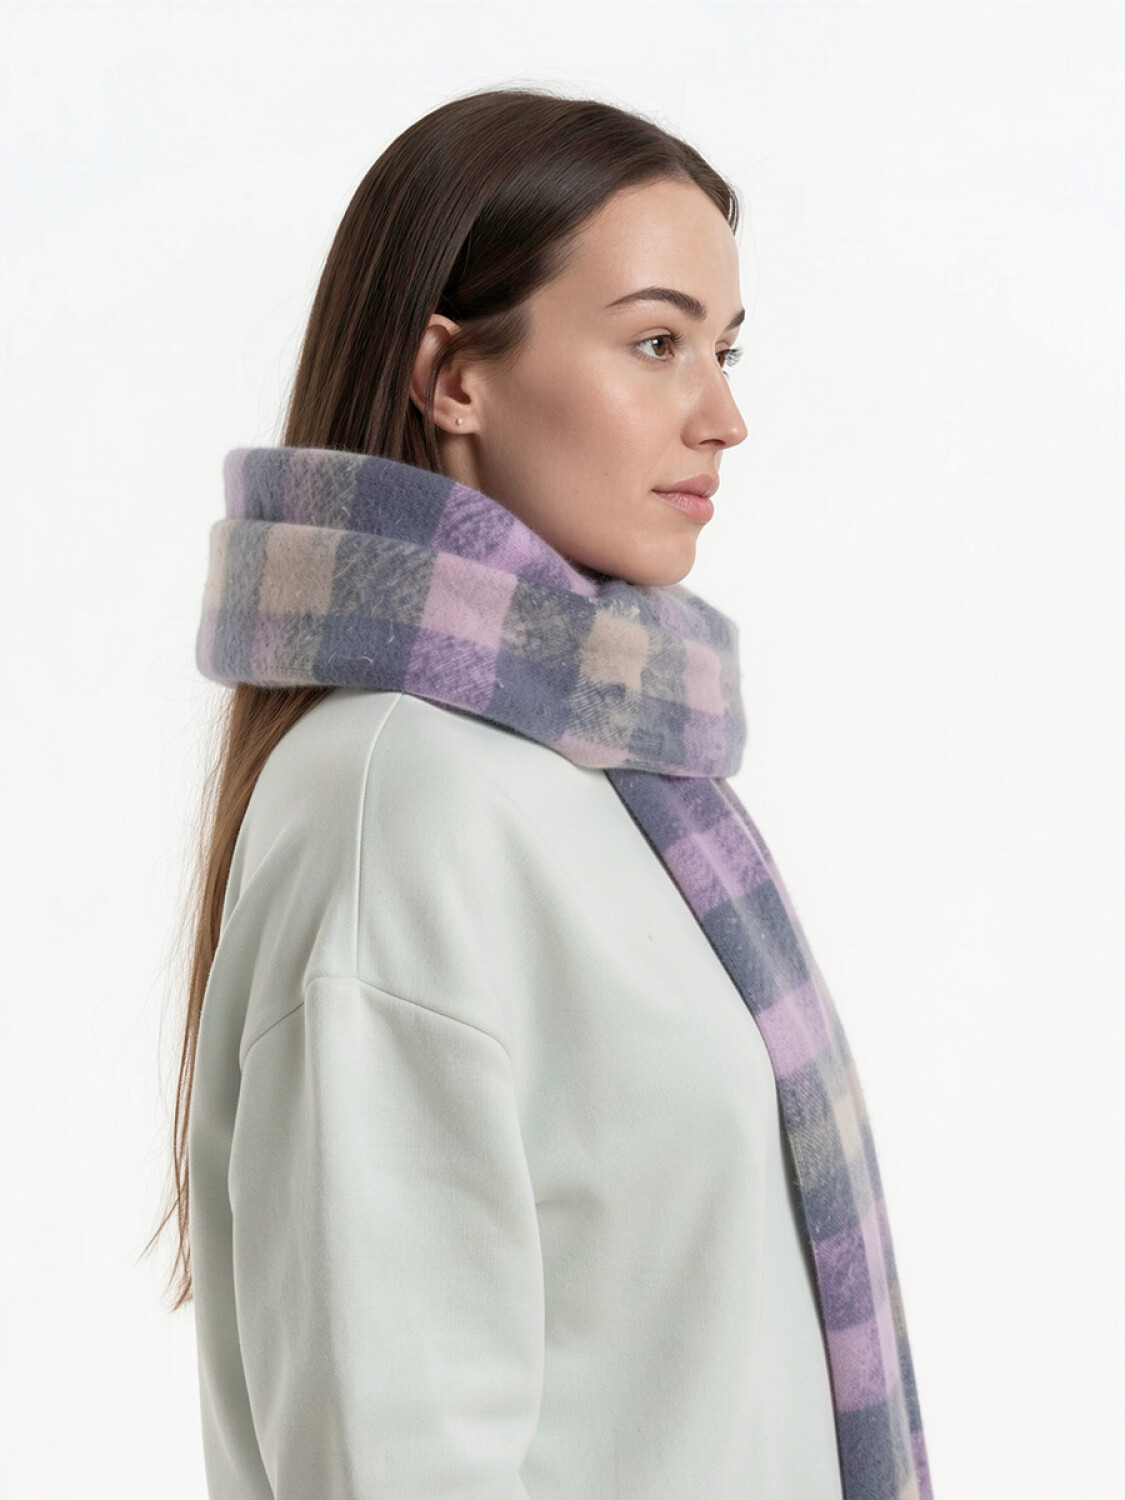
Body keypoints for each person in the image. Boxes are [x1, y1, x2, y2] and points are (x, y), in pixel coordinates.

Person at [148, 86, 931, 1499]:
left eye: (723, 348)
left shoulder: (614, 776)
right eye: (656, 343)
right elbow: (393, 1458)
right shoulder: (399, 797)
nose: (724, 416)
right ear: (452, 376)